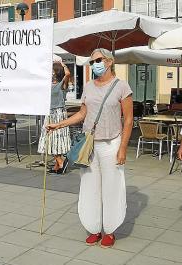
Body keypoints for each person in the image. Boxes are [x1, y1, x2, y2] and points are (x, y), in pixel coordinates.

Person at [46, 48, 133, 248]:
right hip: (90, 144)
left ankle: (110, 230)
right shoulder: (88, 86)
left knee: (112, 187)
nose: (95, 65)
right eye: (92, 62)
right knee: (89, 187)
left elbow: (128, 120)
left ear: (109, 62)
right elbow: (82, 114)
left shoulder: (121, 86)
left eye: (98, 60)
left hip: (112, 143)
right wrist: (59, 124)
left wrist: (123, 149)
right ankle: (93, 228)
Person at [37, 61, 71, 174]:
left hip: (55, 114)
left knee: (51, 140)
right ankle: (58, 166)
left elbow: (68, 73)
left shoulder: (62, 83)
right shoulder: (50, 84)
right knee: (56, 140)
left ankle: (60, 162)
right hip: (55, 113)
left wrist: (63, 64)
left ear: (56, 72)